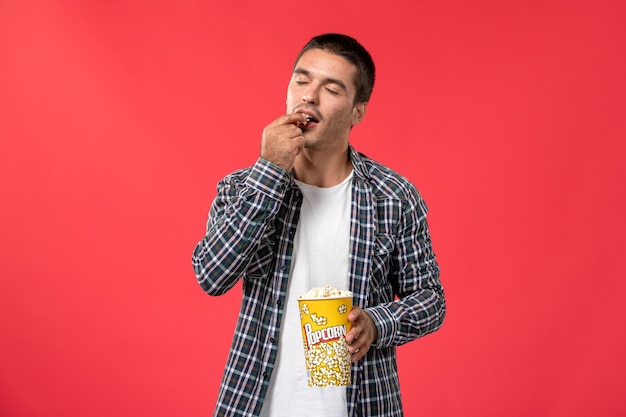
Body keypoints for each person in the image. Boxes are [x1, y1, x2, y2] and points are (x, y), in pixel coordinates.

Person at [192, 33, 445, 417]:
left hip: (361, 403)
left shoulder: (392, 196)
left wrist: (378, 322)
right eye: (301, 80)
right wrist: (270, 172)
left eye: (331, 89)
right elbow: (212, 275)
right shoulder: (243, 187)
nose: (309, 96)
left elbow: (431, 299)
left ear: (358, 112)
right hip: (256, 404)